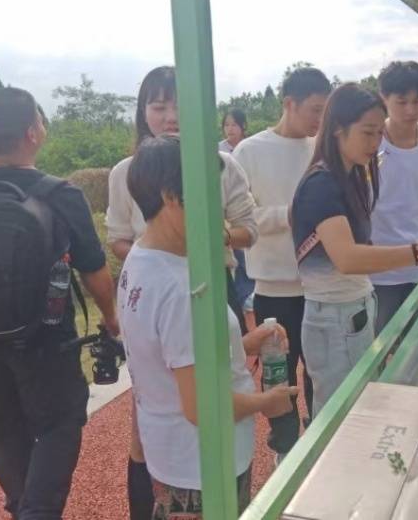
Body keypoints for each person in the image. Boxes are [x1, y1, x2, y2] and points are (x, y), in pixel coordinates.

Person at [0, 88, 118, 520]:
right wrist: (111, 318)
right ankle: (36, 512)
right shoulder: (60, 194)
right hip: (44, 343)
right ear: (33, 132)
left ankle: (23, 506)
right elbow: (93, 269)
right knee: (61, 421)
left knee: (1, 427)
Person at [105, 66, 258, 519]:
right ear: (143, 113)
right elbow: (117, 236)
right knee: (163, 404)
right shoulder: (125, 173)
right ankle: (164, 498)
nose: (171, 116)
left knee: (210, 371)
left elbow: (248, 229)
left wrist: (210, 235)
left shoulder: (220, 165)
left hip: (205, 280)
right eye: (159, 106)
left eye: (180, 106)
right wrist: (159, 256)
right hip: (162, 287)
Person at [118, 136, 297, 517]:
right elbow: (203, 408)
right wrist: (268, 402)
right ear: (171, 196)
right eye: (207, 194)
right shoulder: (181, 288)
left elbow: (173, 352)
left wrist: (243, 343)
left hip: (173, 455)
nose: (219, 211)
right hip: (201, 465)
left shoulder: (143, 257)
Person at [291, 84, 418, 414]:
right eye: (367, 133)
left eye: (379, 133)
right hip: (334, 318)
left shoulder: (350, 177)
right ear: (337, 130)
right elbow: (347, 258)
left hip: (355, 309)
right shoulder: (322, 184)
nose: (375, 143)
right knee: (341, 417)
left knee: (359, 407)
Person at [233, 66, 330, 457]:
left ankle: (320, 445)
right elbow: (241, 219)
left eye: (325, 111)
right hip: (273, 289)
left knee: (320, 373)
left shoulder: (319, 149)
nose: (320, 120)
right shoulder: (250, 152)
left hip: (320, 284)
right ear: (289, 104)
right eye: (314, 110)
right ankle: (284, 449)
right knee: (279, 374)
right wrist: (291, 214)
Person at [370, 61, 418, 333]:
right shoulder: (371, 144)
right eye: (401, 102)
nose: (411, 110)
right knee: (378, 350)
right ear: (384, 99)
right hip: (381, 272)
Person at [219, 109, 255, 315]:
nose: (230, 129)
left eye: (234, 125)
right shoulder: (217, 152)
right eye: (226, 125)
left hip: (241, 210)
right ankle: (244, 295)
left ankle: (246, 294)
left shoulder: (245, 150)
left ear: (243, 127)